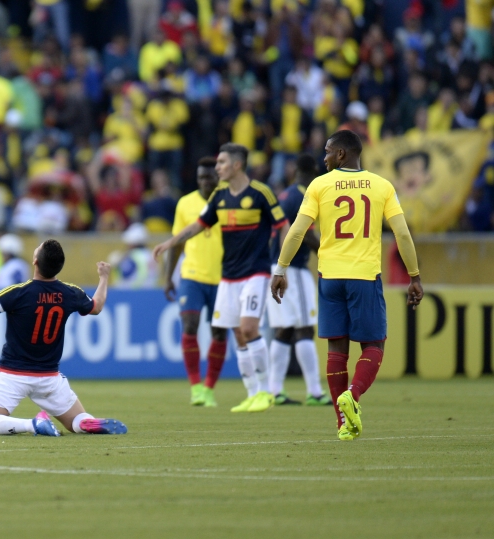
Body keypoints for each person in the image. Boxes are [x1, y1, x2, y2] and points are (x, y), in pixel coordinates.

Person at [270, 130, 423, 441]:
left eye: (328, 151)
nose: (324, 157)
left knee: (336, 349)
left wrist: (280, 269)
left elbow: (297, 231)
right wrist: (415, 276)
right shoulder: (382, 186)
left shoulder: (318, 185)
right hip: (364, 277)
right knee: (374, 345)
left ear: (342, 153)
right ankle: (352, 396)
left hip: (329, 278)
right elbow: (402, 235)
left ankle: (344, 423)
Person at [0, 239, 127, 436]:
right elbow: (96, 307)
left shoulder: (18, 293)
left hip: (13, 374)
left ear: (35, 261)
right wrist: (103, 278)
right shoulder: (70, 293)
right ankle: (85, 422)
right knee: (76, 419)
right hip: (50, 377)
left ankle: (32, 424)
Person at [153, 143, 289, 413]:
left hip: (255, 272)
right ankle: (252, 393)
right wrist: (170, 243)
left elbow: (283, 226)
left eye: (222, 163)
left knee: (248, 329)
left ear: (237, 165)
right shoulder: (220, 197)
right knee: (237, 333)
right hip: (228, 277)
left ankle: (266, 391)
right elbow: (198, 225)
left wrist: (281, 268)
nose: (217, 168)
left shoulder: (261, 193)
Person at [266, 154, 331, 406]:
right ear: (314, 172)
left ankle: (275, 390)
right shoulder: (304, 195)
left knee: (285, 329)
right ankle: (314, 391)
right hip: (293, 268)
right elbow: (304, 233)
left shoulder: (285, 195)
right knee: (305, 327)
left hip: (277, 266)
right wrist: (328, 253)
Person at [163, 157, 226, 407]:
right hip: (191, 275)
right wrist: (168, 277)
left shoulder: (228, 201)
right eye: (201, 177)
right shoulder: (185, 203)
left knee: (219, 332)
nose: (205, 182)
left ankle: (209, 387)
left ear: (218, 177)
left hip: (223, 277)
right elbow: (177, 242)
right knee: (190, 325)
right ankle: (196, 387)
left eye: (209, 177)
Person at [114, 223, 158, 289]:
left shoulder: (133, 255)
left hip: (133, 291)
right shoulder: (150, 254)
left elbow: (124, 276)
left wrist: (116, 263)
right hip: (150, 290)